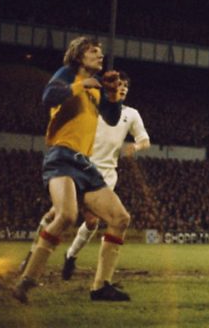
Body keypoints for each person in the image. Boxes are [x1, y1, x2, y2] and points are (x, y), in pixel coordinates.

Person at [12, 36, 131, 303]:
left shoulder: (97, 86)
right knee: (66, 215)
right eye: (94, 52)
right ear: (79, 56)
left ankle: (101, 287)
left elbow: (111, 119)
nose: (100, 56)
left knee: (120, 218)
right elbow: (49, 95)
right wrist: (81, 83)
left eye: (101, 53)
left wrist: (112, 96)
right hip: (61, 155)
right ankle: (27, 280)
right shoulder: (68, 73)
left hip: (84, 162)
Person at [58, 71, 150, 279]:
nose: (123, 87)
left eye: (126, 85)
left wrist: (135, 147)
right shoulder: (96, 107)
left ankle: (72, 257)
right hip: (83, 168)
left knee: (93, 222)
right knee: (67, 216)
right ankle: (35, 258)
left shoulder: (132, 114)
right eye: (119, 84)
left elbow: (145, 140)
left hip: (107, 176)